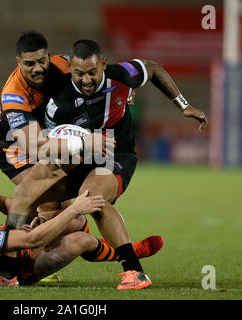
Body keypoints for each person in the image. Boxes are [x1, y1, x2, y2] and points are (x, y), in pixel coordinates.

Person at [42, 39, 209, 289]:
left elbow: (152, 68)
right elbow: (50, 142)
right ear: (70, 69)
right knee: (44, 195)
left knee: (93, 199)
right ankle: (46, 263)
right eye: (79, 74)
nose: (86, 79)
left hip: (116, 155)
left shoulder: (121, 75)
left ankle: (134, 271)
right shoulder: (59, 102)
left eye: (92, 72)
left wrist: (183, 105)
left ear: (104, 65)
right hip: (78, 159)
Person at [0, 31, 114, 229]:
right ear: (18, 61)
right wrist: (82, 143)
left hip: (46, 136)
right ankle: (10, 243)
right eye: (29, 64)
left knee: (61, 201)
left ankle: (82, 243)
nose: (38, 68)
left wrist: (123, 89)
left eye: (41, 60)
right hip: (11, 144)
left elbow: (99, 72)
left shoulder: (64, 64)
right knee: (37, 194)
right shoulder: (14, 95)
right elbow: (35, 147)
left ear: (48, 55)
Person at [0, 178, 163, 288]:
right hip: (7, 269)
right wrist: (73, 207)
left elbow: (8, 203)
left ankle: (125, 252)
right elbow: (30, 239)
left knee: (75, 219)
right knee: (80, 239)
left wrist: (39, 217)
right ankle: (128, 253)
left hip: (8, 246)